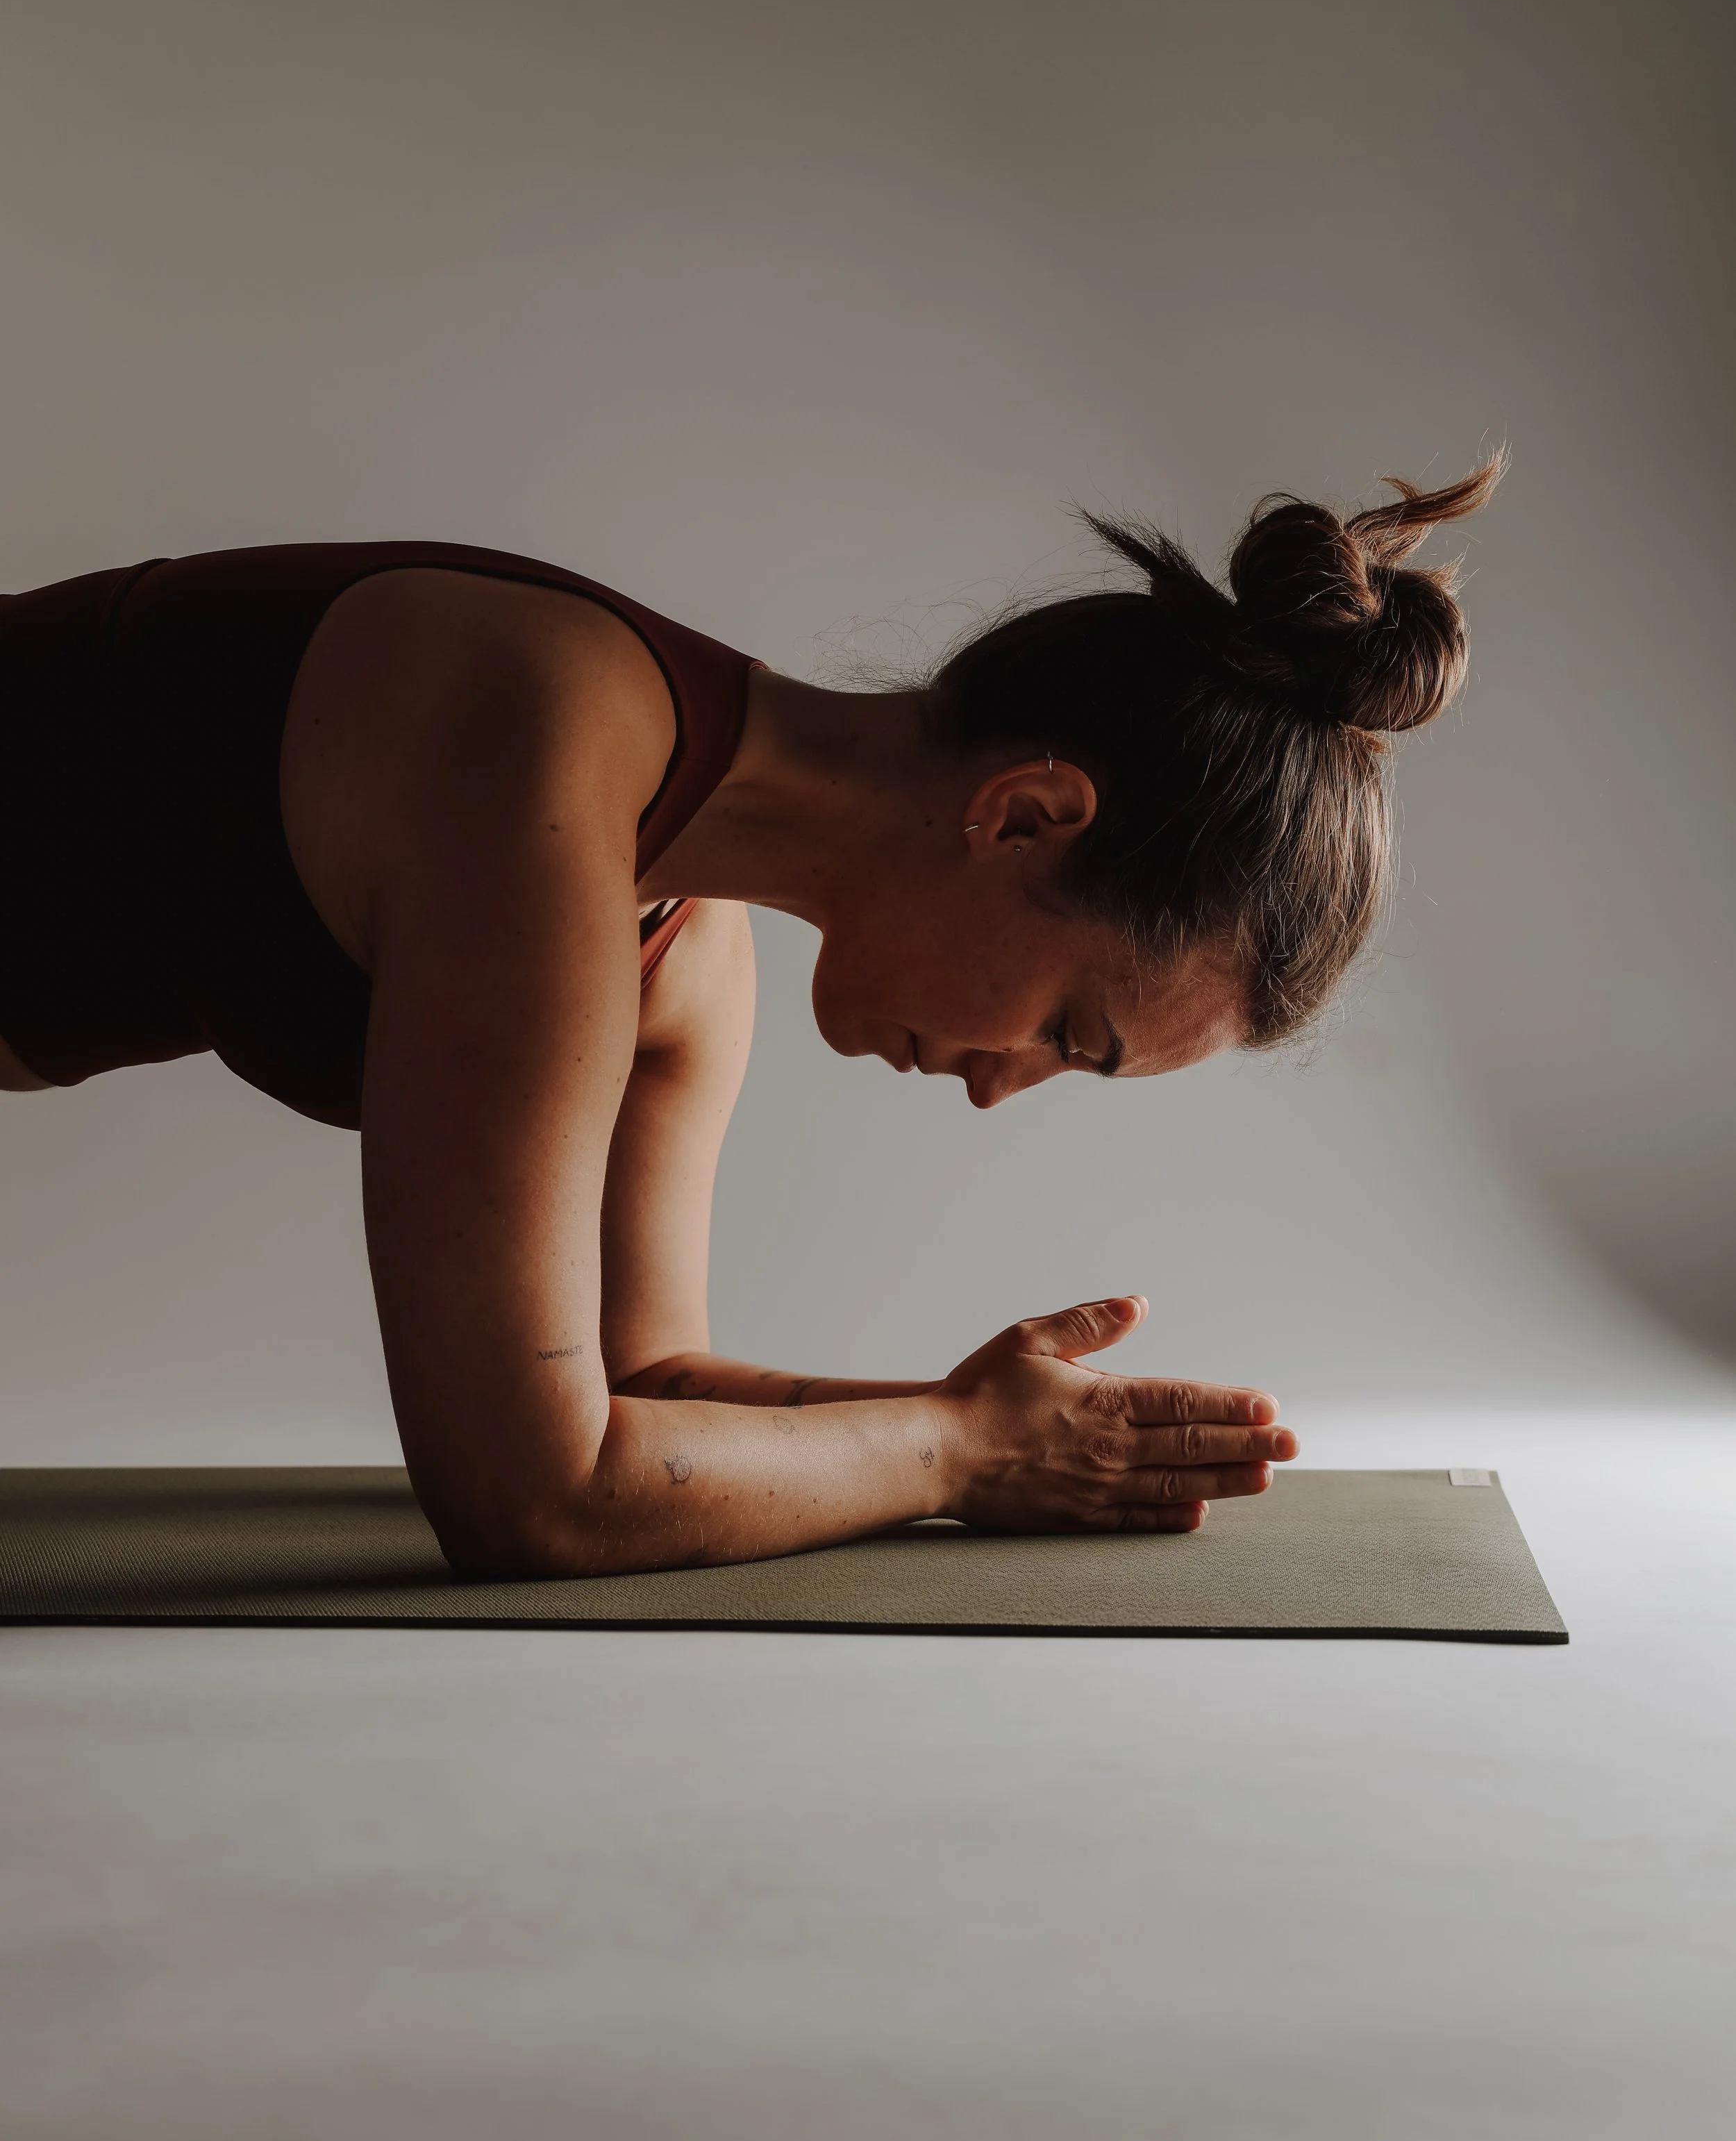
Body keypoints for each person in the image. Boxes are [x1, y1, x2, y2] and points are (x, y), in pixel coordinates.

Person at [0, 458, 1501, 1574]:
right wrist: (956, 1453)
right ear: (1026, 814)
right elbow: (536, 1491)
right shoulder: (547, 753)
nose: (999, 1090)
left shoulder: (681, 942)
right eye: (1067, 1029)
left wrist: (990, 1419)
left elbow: (640, 1387)